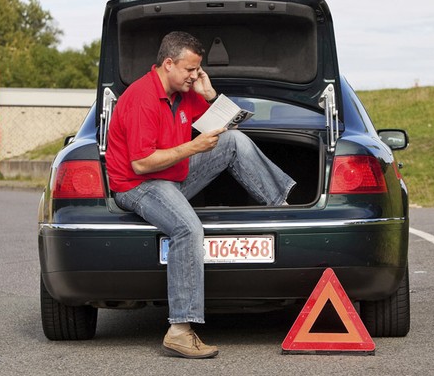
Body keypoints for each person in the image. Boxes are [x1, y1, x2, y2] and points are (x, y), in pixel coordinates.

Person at [105, 31, 295, 359]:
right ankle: (180, 330)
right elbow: (141, 163)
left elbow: (226, 127)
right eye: (190, 70)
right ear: (168, 64)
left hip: (173, 175)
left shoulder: (185, 92)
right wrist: (193, 147)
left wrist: (209, 96)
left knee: (234, 142)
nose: (195, 75)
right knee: (187, 229)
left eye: (198, 70)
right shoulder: (142, 99)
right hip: (139, 186)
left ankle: (282, 210)